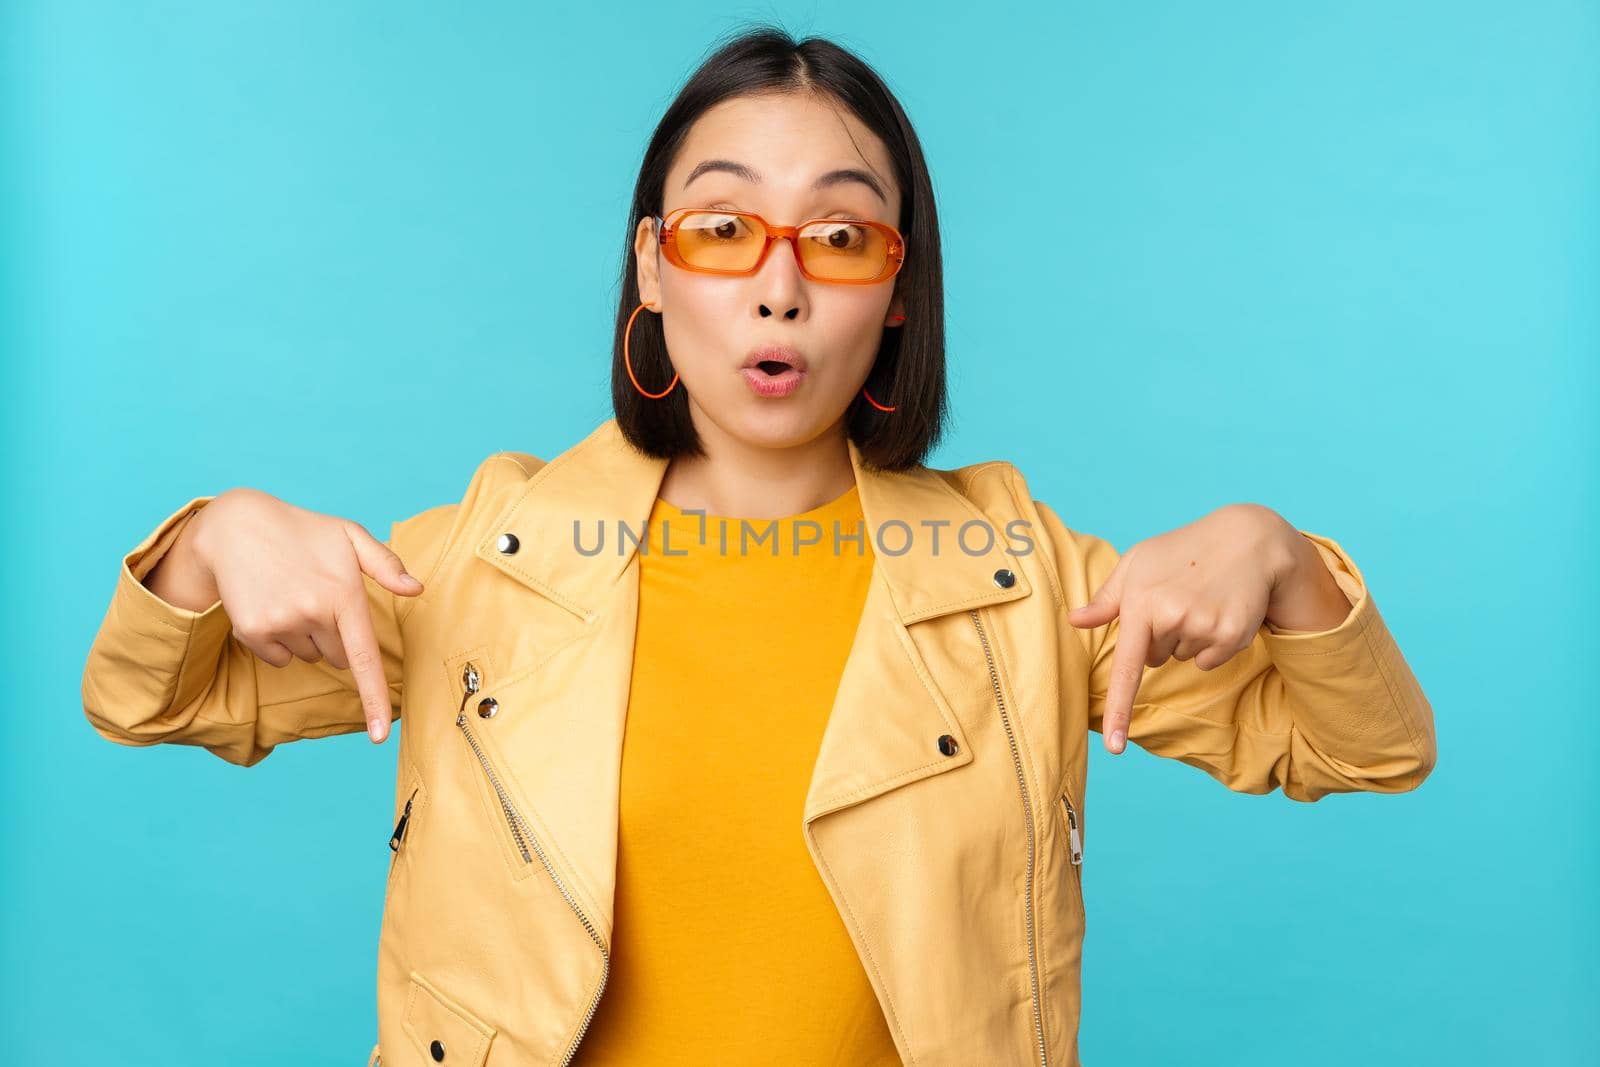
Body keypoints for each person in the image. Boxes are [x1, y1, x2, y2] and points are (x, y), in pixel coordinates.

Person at [80, 25, 1438, 1067]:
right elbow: (148, 697)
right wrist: (212, 539)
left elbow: (1366, 746)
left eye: (840, 236)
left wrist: (1277, 553)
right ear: (656, 268)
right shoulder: (485, 564)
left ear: (897, 291)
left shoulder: (1023, 581)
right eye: (724, 228)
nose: (778, 283)